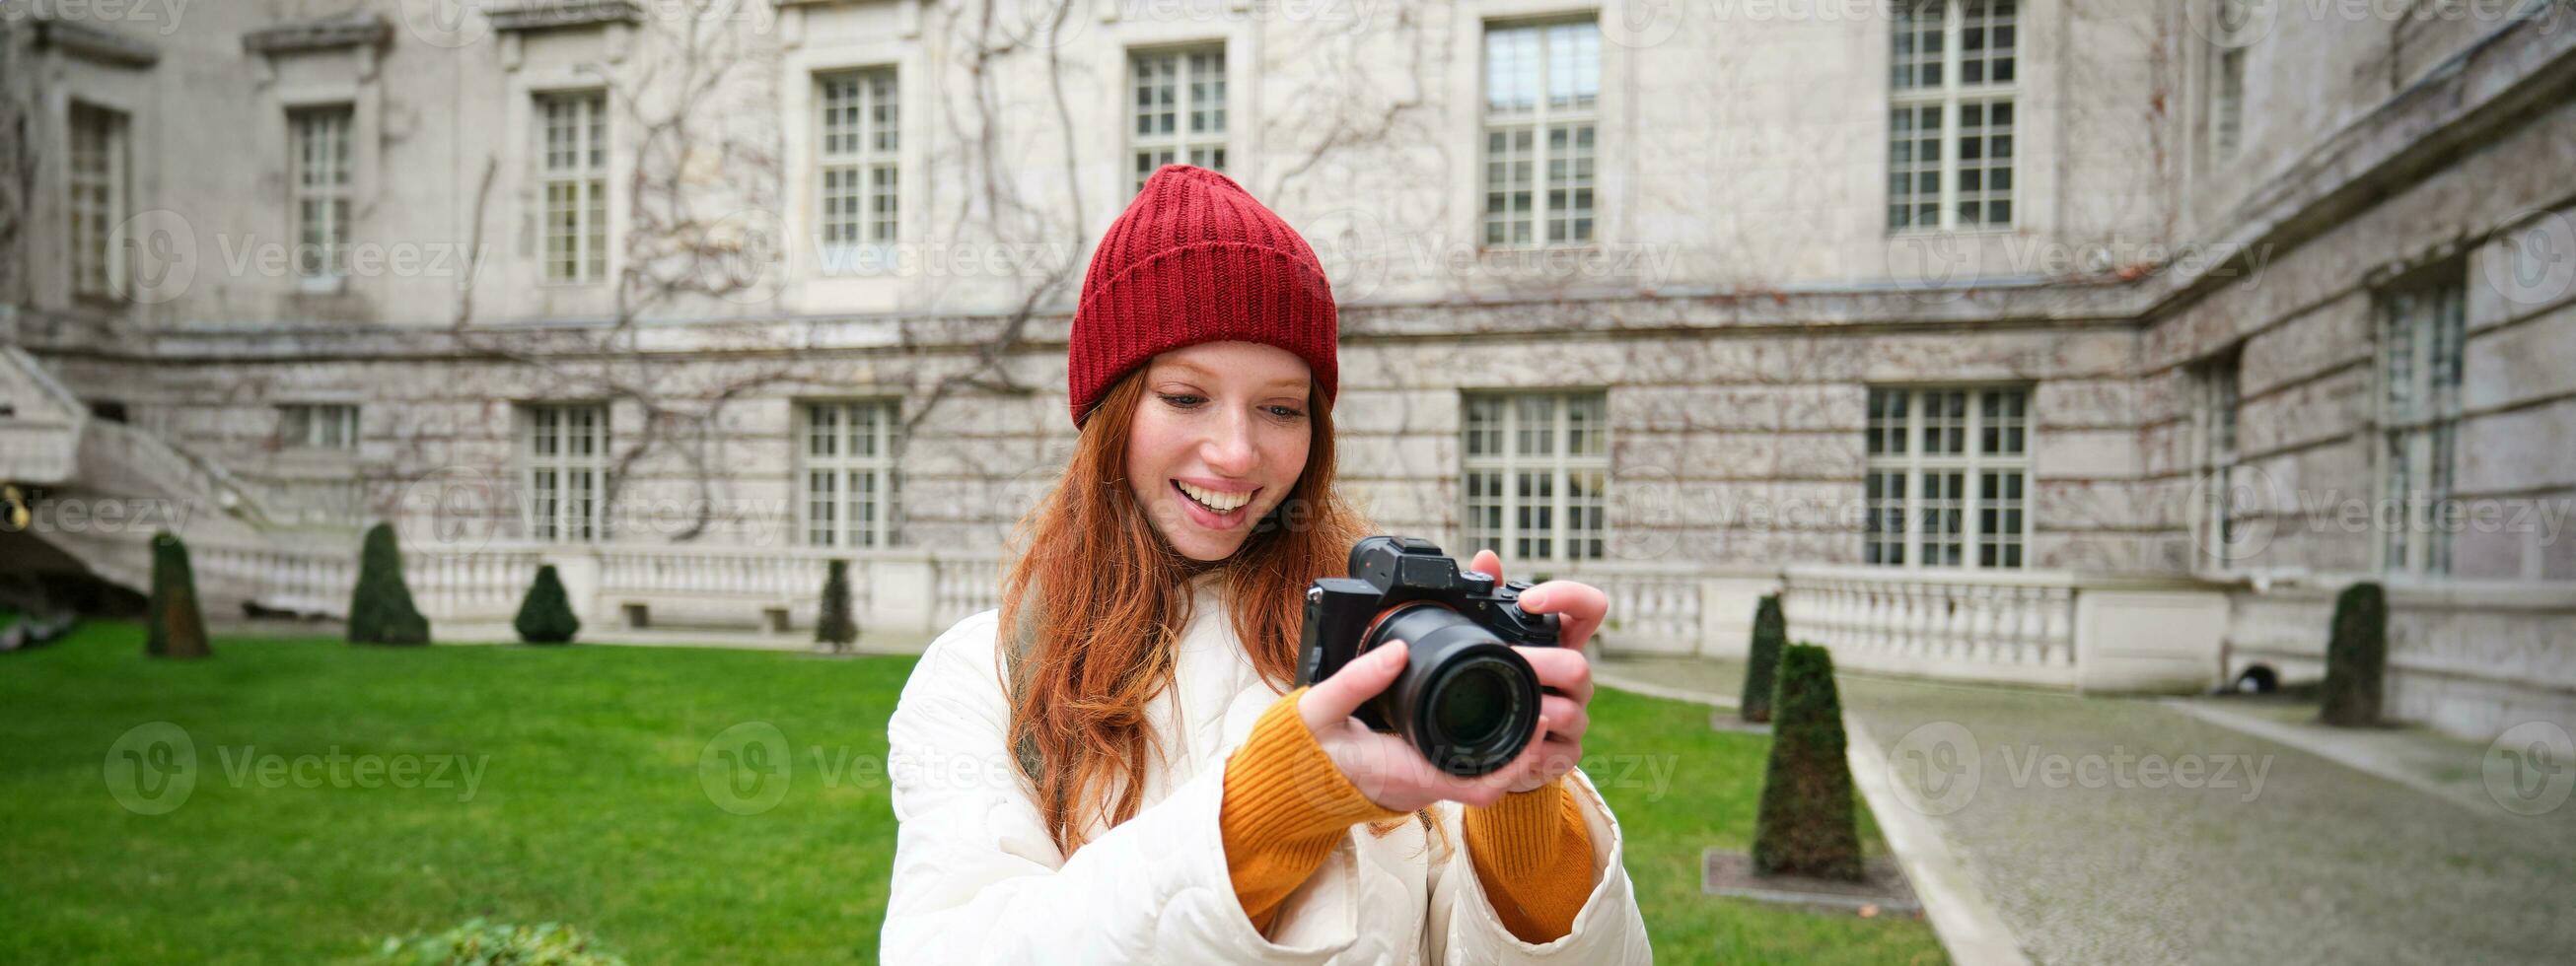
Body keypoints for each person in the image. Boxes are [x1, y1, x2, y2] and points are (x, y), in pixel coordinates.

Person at [881, 165, 1652, 963]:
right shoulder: (982, 676)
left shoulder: (1397, 644)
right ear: (1108, 412)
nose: (1236, 452)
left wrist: (1521, 801)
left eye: (1281, 408)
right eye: (1185, 397)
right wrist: (1274, 805)